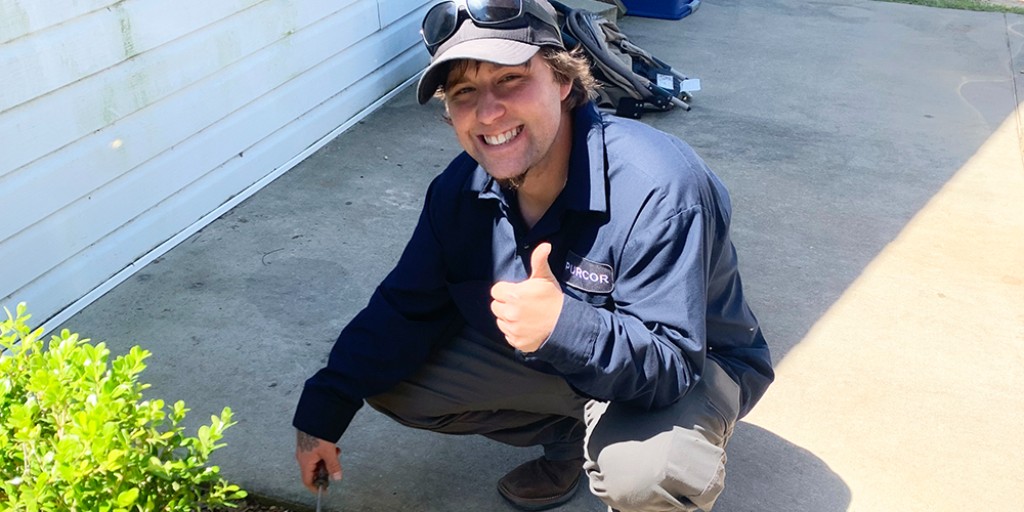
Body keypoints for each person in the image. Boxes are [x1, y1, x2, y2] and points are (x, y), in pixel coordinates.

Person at [293, 0, 774, 510]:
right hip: (570, 363)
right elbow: (404, 308)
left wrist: (563, 326)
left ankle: (669, 440)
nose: (488, 112)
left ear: (564, 80)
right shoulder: (459, 191)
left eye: (510, 80)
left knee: (646, 477)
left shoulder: (660, 187)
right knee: (394, 382)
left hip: (692, 364)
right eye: (464, 92)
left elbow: (672, 361)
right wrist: (321, 413)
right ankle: (573, 440)